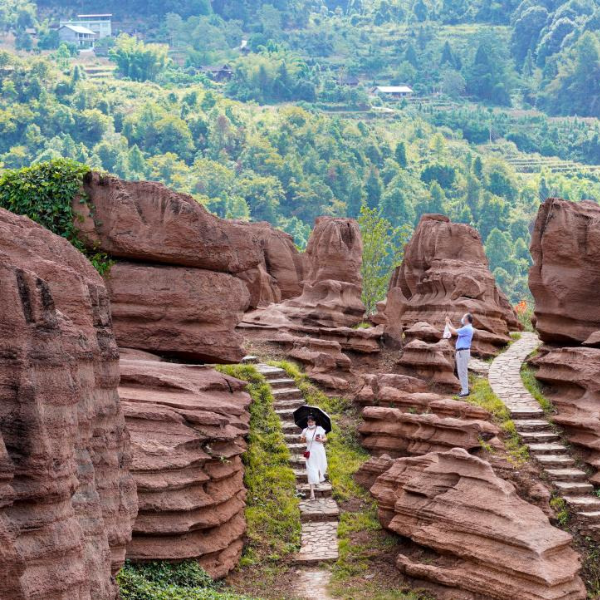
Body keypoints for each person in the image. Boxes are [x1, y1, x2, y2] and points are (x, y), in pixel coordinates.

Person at [445, 313, 474, 397]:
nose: (462, 318)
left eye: (463, 317)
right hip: (462, 352)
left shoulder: (467, 329)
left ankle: (465, 391)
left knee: (462, 372)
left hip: (462, 352)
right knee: (462, 371)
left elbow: (453, 332)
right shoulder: (467, 328)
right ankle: (464, 390)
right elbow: (456, 330)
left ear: (466, 319)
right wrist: (450, 323)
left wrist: (447, 323)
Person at [300, 416, 328, 501]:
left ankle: (318, 479)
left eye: (312, 422)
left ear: (315, 422)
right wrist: (303, 439)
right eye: (309, 422)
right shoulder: (305, 430)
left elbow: (326, 438)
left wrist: (321, 440)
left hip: (319, 451)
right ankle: (312, 493)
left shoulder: (319, 428)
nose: (310, 423)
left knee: (320, 467)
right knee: (311, 470)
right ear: (307, 423)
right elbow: (301, 440)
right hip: (310, 452)